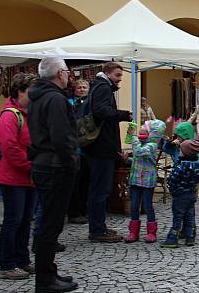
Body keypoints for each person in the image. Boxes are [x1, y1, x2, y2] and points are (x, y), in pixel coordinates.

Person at [26, 57, 79, 293]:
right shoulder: (55, 99)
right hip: (55, 165)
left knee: (49, 221)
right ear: (59, 73)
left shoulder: (38, 97)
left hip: (44, 162)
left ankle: (48, 271)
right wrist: (70, 163)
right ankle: (45, 279)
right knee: (51, 223)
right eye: (67, 72)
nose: (69, 76)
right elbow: (60, 137)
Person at [82, 62, 132, 243]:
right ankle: (97, 230)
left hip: (98, 147)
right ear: (107, 73)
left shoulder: (98, 86)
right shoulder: (103, 87)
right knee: (100, 190)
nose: (119, 80)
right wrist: (123, 115)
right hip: (101, 148)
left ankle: (98, 226)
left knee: (98, 189)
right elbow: (101, 111)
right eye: (118, 75)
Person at [0, 73, 36, 280]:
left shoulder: (28, 113)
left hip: (28, 177)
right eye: (31, 91)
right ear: (21, 91)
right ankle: (7, 263)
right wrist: (30, 166)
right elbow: (10, 147)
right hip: (13, 177)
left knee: (25, 220)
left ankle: (22, 260)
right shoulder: (10, 115)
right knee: (13, 220)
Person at [124, 120, 166, 243]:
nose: (141, 128)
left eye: (144, 127)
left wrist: (132, 136)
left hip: (147, 181)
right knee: (134, 205)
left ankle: (151, 232)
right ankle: (133, 231)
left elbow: (139, 152)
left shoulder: (152, 145)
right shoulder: (140, 143)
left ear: (152, 133)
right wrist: (128, 160)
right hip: (136, 180)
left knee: (147, 206)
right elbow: (138, 158)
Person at [160, 139, 199, 247]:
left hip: (180, 195)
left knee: (178, 217)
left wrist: (172, 189)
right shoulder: (198, 165)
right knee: (190, 216)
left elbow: (172, 179)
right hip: (192, 194)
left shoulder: (180, 166)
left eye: (181, 150)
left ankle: (172, 238)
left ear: (185, 152)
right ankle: (190, 237)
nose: (179, 151)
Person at [67, 79, 90, 224]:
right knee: (75, 183)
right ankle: (74, 212)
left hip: (87, 149)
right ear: (74, 89)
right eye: (79, 87)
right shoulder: (69, 103)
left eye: (84, 87)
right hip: (75, 149)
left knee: (86, 183)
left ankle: (84, 210)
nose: (81, 89)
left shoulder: (90, 103)